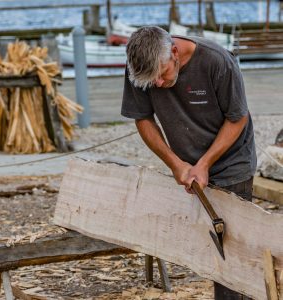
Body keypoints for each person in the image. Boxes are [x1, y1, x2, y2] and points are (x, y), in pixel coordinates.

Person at [121, 26, 256, 299]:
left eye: (161, 76)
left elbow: (237, 118)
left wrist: (205, 163)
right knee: (205, 245)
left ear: (174, 52)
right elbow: (143, 118)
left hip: (232, 160)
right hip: (187, 161)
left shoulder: (216, 61)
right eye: (150, 82)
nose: (157, 85)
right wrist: (175, 163)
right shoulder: (139, 67)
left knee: (231, 251)